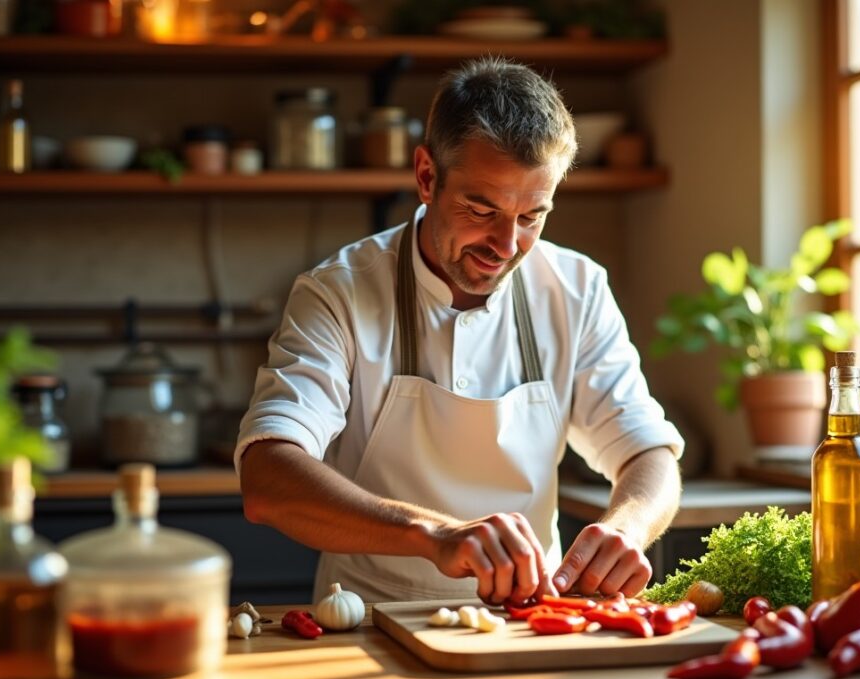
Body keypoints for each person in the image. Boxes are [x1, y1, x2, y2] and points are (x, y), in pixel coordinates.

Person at [236, 57, 684, 606]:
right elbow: (267, 477)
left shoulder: (577, 289)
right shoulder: (339, 292)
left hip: (530, 619)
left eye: (531, 217)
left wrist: (627, 528)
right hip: (368, 621)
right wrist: (436, 536)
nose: (505, 244)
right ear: (426, 176)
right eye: (481, 208)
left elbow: (648, 452)